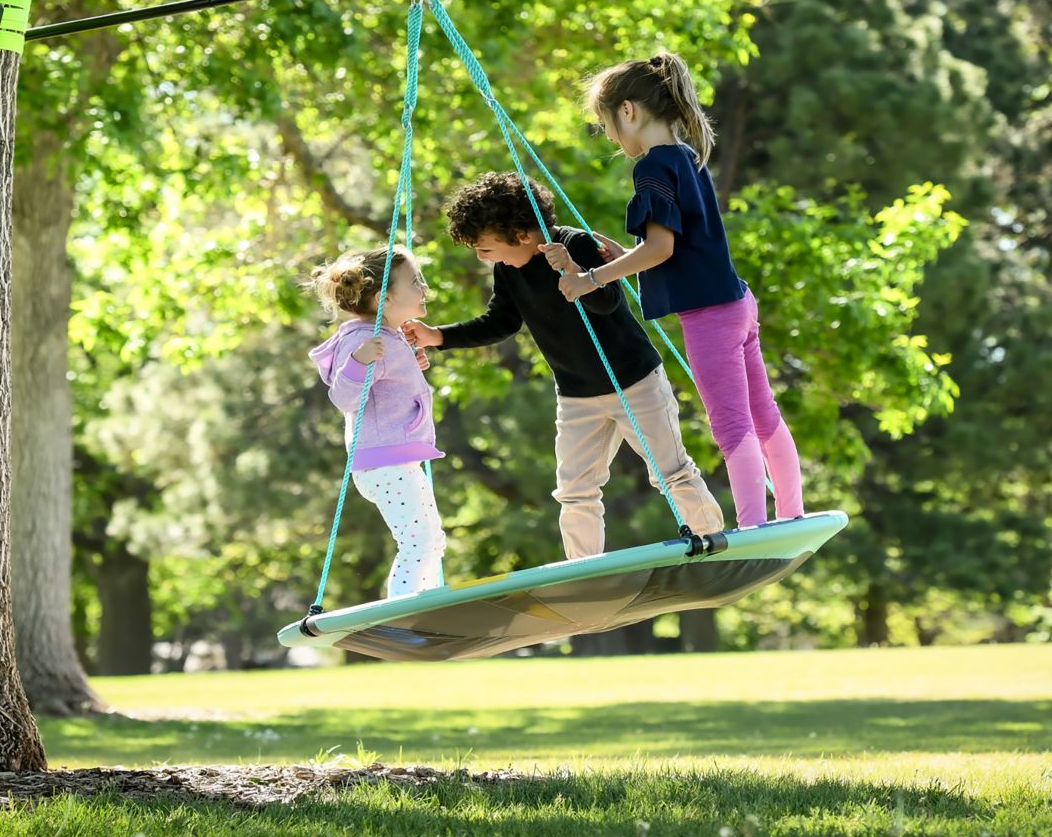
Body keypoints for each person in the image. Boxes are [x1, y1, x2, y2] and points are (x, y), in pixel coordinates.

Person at [401, 172, 725, 558]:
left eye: (485, 248)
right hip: (576, 396)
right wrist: (437, 336)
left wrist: (574, 271)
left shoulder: (577, 244)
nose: (482, 258)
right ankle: (584, 568)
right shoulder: (508, 269)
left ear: (522, 235)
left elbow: (607, 303)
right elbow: (500, 322)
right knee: (574, 490)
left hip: (634, 381)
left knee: (671, 471)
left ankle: (711, 541)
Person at [548, 51, 803, 529]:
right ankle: (791, 513)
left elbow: (661, 249)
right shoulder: (683, 156)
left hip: (709, 316)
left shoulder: (651, 168)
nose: (607, 135)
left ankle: (753, 527)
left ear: (628, 111)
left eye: (605, 122)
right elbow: (669, 242)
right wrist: (620, 253)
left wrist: (591, 279)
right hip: (736, 302)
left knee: (732, 427)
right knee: (763, 416)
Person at [306, 247, 447, 597]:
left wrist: (409, 367)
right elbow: (344, 397)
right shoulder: (364, 341)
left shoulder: (386, 336)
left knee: (432, 540)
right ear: (385, 298)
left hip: (396, 459)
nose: (423, 288)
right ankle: (406, 607)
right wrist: (357, 362)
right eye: (415, 282)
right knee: (418, 542)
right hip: (386, 461)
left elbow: (386, 384)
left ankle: (427, 600)